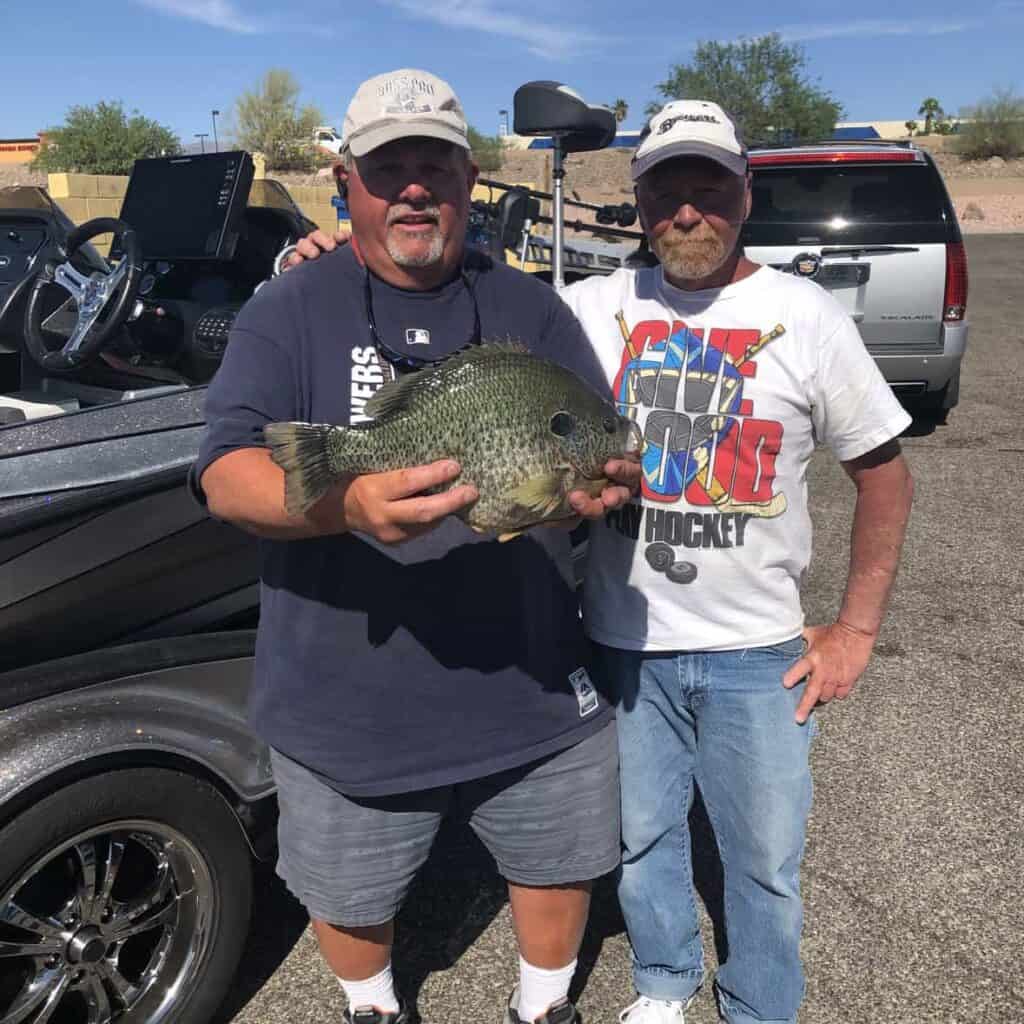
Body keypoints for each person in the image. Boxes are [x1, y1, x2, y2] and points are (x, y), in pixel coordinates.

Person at [287, 98, 915, 1024]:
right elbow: (466, 287)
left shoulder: (806, 315)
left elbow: (885, 476)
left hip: (760, 652)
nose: (689, 211)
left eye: (710, 187)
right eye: (667, 191)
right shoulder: (587, 305)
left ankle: (760, 1004)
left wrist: (857, 627)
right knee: (646, 838)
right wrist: (324, 257)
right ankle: (663, 982)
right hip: (617, 641)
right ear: (640, 201)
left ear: (746, 193)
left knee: (765, 857)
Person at [191, 68, 639, 1024]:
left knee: (559, 859)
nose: (413, 188)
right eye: (388, 167)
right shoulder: (290, 307)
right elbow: (226, 471)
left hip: (531, 687)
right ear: (346, 182)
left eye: (434, 165)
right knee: (349, 892)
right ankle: (372, 1009)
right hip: (343, 700)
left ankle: (545, 1006)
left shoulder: (532, 311)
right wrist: (344, 505)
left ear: (469, 179)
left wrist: (584, 498)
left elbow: (585, 455)